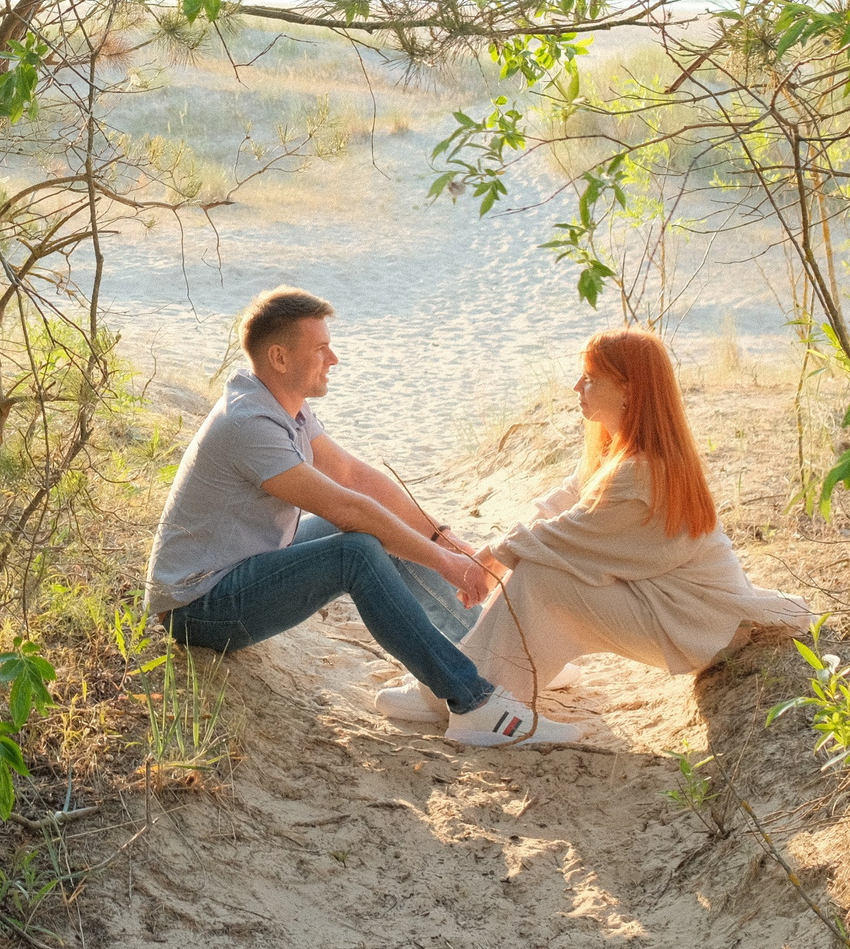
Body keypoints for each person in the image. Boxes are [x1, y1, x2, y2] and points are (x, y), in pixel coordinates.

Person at [146, 287, 582, 749]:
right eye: (320, 348)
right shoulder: (248, 422)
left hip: (245, 569)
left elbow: (354, 477)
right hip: (199, 608)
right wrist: (445, 563)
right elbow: (347, 508)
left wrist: (447, 540)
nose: (333, 358)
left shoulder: (278, 402)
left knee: (362, 532)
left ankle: (494, 659)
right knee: (355, 551)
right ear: (279, 356)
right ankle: (473, 702)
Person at [376, 328, 812, 727]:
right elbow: (554, 507)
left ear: (628, 389)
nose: (575, 386)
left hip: (697, 626)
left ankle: (459, 696)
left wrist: (485, 559)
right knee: (535, 564)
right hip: (675, 611)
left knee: (541, 573)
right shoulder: (617, 453)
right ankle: (487, 681)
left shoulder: (642, 472)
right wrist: (487, 556)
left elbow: (562, 535)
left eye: (588, 377)